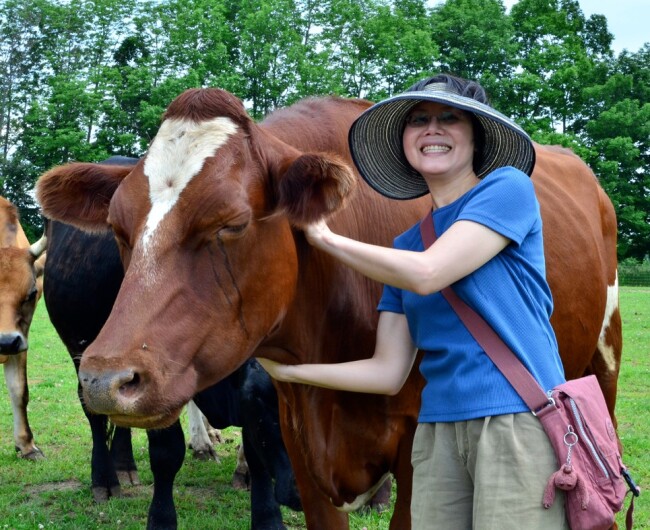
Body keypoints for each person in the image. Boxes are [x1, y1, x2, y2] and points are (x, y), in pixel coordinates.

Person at [258, 73, 569, 529]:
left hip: (514, 421)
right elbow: (387, 371)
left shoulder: (508, 190)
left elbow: (431, 273)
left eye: (450, 118)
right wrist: (289, 370)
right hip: (437, 432)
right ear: (404, 141)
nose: (433, 128)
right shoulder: (403, 247)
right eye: (419, 119)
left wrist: (323, 238)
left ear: (476, 137)